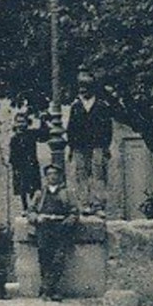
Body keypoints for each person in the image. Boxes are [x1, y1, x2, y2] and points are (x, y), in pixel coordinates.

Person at [66, 70, 114, 215]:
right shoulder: (75, 107)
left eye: (86, 88)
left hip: (98, 145)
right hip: (80, 146)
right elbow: (71, 128)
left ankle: (98, 205)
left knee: (98, 175)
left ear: (92, 89)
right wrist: (71, 148)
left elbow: (108, 128)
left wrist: (106, 147)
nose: (83, 91)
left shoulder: (101, 106)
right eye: (81, 88)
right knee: (81, 174)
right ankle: (84, 204)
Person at [28, 164, 75, 302]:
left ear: (60, 176)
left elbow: (74, 211)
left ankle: (49, 289)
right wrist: (37, 217)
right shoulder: (40, 193)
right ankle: (48, 289)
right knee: (44, 258)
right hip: (44, 228)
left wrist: (68, 221)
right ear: (46, 177)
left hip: (60, 228)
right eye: (49, 174)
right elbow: (30, 211)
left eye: (55, 173)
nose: (52, 176)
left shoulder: (67, 192)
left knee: (58, 259)